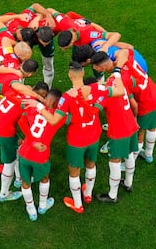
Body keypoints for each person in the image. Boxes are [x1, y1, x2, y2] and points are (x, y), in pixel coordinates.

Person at [24, 61, 125, 213]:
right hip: (94, 135)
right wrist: (117, 73)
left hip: (77, 140)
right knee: (91, 164)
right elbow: (120, 91)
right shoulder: (97, 87)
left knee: (74, 172)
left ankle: (78, 204)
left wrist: (37, 105)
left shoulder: (66, 98)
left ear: (70, 76)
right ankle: (88, 194)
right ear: (83, 74)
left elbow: (52, 120)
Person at [0, 82, 49, 202]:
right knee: (10, 162)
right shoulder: (29, 104)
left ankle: (18, 178)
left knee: (18, 145)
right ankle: (4, 194)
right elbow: (26, 123)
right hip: (4, 133)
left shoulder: (17, 90)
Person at [91, 51, 139, 202]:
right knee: (130, 153)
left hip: (119, 129)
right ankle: (129, 183)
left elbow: (93, 111)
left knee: (115, 161)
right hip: (130, 123)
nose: (96, 70)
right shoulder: (116, 79)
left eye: (97, 68)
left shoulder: (106, 94)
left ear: (102, 66)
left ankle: (112, 195)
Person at [18, 89, 65, 221]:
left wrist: (32, 141)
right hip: (40, 155)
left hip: (25, 152)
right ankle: (42, 206)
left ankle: (31, 210)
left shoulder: (32, 110)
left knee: (25, 181)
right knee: (44, 178)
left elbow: (21, 121)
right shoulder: (59, 117)